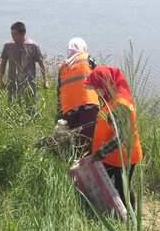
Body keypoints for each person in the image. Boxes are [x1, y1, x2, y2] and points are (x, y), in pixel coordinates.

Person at [84, 66, 143, 208]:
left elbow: (122, 135)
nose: (96, 92)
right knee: (107, 184)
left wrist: (101, 152)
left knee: (123, 189)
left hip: (123, 157)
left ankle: (130, 217)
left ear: (105, 84)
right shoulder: (111, 99)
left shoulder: (120, 105)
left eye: (97, 88)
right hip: (111, 156)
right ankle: (110, 211)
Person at [57, 38, 100, 155]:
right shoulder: (87, 59)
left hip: (69, 109)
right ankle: (87, 170)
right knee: (88, 143)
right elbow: (101, 79)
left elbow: (59, 92)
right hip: (88, 105)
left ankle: (75, 169)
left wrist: (59, 115)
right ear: (83, 48)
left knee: (77, 142)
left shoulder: (63, 67)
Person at [0, 22, 49, 110]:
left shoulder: (33, 46)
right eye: (11, 34)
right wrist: (1, 80)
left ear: (22, 34)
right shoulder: (8, 46)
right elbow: (3, 64)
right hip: (13, 82)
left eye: (14, 34)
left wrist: (45, 80)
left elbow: (41, 64)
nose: (12, 37)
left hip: (29, 82)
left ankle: (32, 122)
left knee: (31, 106)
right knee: (12, 107)